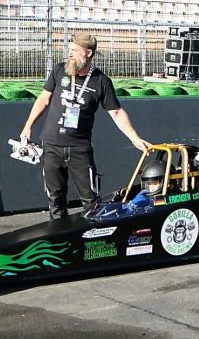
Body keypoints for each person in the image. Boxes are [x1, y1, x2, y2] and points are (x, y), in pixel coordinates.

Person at [20, 33, 150, 220]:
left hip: (79, 148)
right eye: (69, 49)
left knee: (91, 200)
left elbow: (116, 112)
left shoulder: (101, 81)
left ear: (88, 53)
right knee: (55, 197)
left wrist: (135, 138)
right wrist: (28, 126)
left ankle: (92, 233)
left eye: (75, 50)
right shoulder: (59, 70)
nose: (69, 53)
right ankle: (60, 233)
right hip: (52, 144)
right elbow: (44, 99)